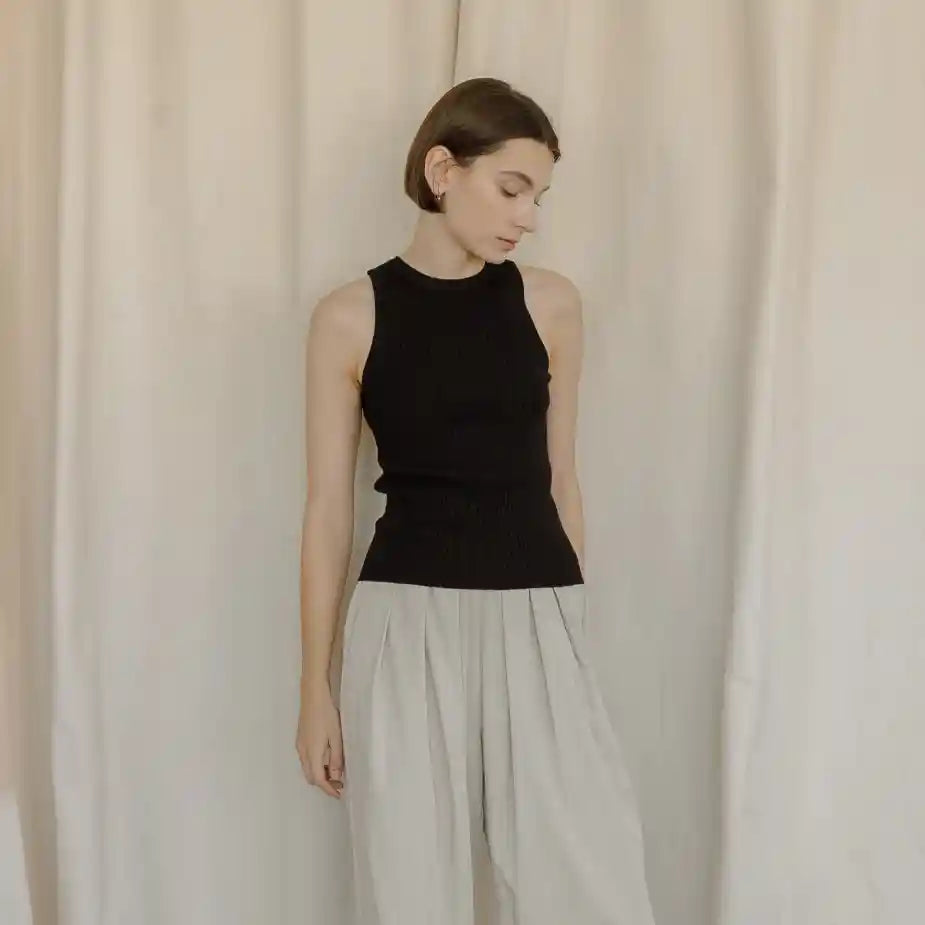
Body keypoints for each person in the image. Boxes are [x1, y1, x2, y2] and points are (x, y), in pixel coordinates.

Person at [296, 76, 655, 925]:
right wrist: (315, 687)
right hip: (403, 623)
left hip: (537, 609)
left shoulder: (550, 304)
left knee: (587, 881)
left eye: (538, 197)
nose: (527, 217)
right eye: (511, 188)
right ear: (442, 170)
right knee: (409, 890)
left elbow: (561, 479)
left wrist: (566, 631)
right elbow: (327, 514)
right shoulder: (348, 317)